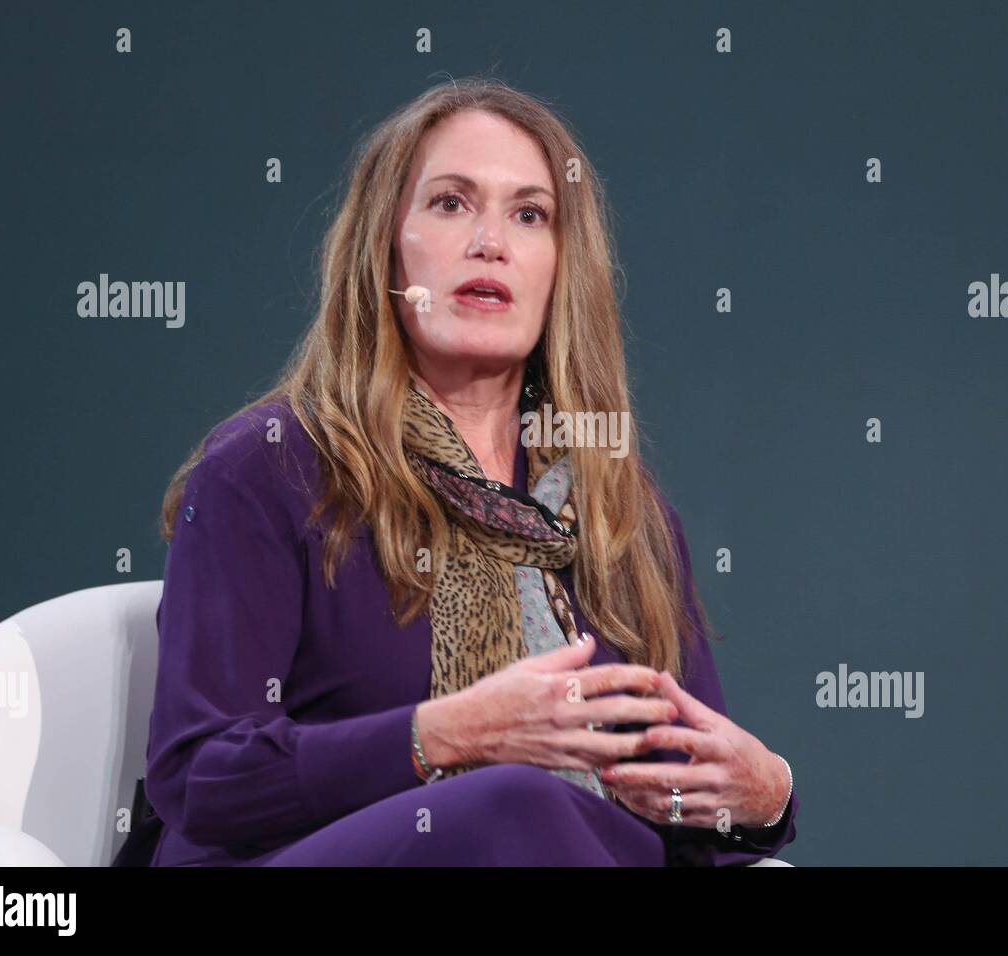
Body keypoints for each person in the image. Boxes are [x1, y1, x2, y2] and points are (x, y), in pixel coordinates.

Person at [120, 78, 797, 867]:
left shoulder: (621, 513)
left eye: (530, 215)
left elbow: (697, 819)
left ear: (560, 269)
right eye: (450, 203)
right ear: (384, 248)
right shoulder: (267, 469)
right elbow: (199, 778)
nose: (491, 242)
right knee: (515, 801)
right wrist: (447, 736)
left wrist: (768, 796)